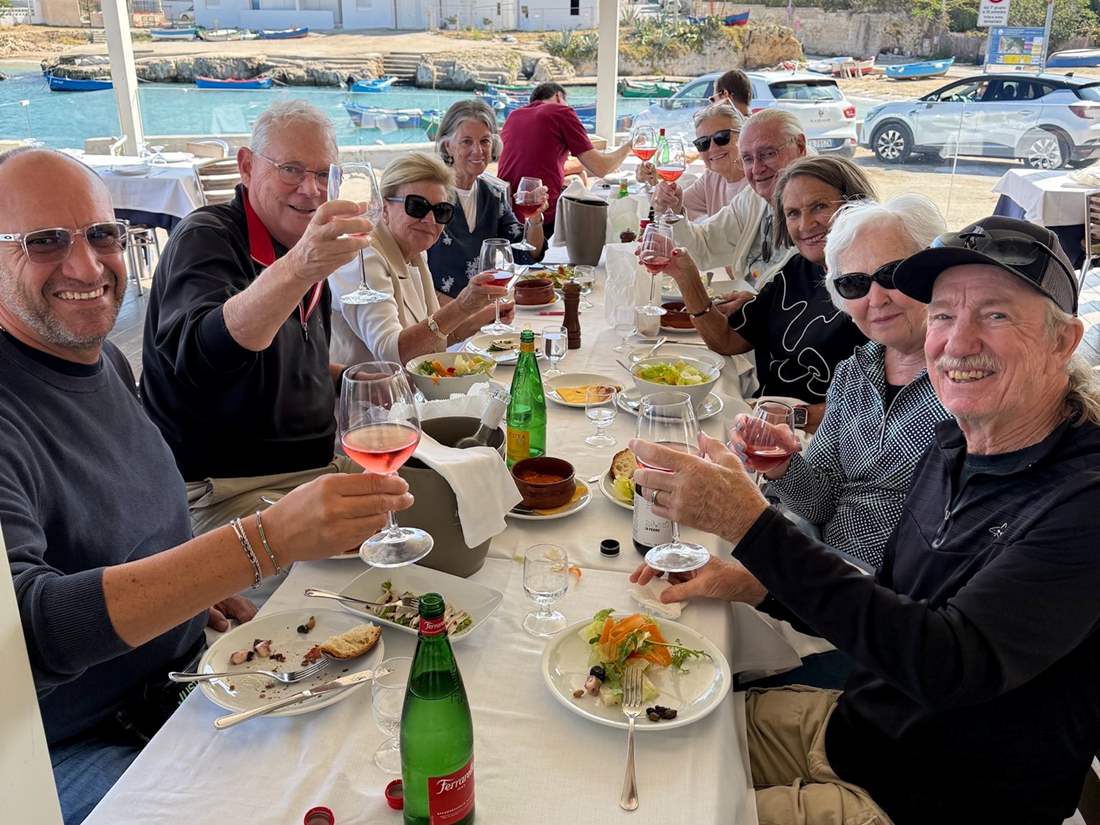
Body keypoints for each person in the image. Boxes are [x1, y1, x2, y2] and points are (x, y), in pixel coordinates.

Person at [631, 215, 1100, 823]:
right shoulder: (958, 444)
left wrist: (751, 528)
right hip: (860, 730)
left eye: (997, 314)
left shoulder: (1082, 500)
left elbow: (948, 663)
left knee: (662, 806)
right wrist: (763, 585)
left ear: (1064, 341)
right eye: (943, 315)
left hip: (927, 796)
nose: (958, 343)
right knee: (637, 725)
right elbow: (891, 593)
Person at [0, 147, 412, 824]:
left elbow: (121, 516)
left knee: (389, 715)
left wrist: (195, 586)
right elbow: (28, 632)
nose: (84, 266)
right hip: (75, 740)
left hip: (191, 664)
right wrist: (259, 541)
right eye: (44, 242)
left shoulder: (97, 360)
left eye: (102, 235)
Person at [141, 100, 374, 538]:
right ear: (246, 167)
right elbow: (201, 356)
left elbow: (282, 365)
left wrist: (358, 380)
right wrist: (300, 267)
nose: (312, 189)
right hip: (229, 493)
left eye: (325, 174)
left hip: (319, 472)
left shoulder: (301, 247)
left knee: (446, 495)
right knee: (379, 582)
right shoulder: (206, 237)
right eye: (291, 169)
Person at [738, 194, 952, 568]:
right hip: (823, 569)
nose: (876, 298)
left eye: (893, 275)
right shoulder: (854, 372)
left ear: (933, 274)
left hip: (894, 603)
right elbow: (820, 503)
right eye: (854, 284)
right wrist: (783, 465)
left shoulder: (968, 385)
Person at [657, 156, 871, 430]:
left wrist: (791, 417)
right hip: (765, 423)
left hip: (819, 442)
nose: (805, 225)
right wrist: (685, 275)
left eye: (819, 207)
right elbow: (727, 340)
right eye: (793, 213)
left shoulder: (875, 287)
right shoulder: (797, 269)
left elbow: (877, 406)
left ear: (854, 204)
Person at [328, 152, 513, 366]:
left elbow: (435, 335)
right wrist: (462, 306)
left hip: (409, 391)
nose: (430, 220)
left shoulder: (414, 254)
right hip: (371, 395)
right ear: (385, 207)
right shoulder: (363, 257)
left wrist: (485, 314)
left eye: (441, 211)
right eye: (417, 206)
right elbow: (392, 352)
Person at [669, 107, 807, 290]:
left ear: (800, 146)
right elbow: (703, 247)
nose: (757, 169)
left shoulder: (827, 205)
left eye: (768, 154)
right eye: (748, 159)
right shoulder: (752, 198)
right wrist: (674, 212)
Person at [429, 99, 548, 299]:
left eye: (484, 141)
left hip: (486, 311)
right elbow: (411, 267)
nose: (478, 150)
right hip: (439, 314)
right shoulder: (431, 197)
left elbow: (527, 253)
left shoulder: (493, 195)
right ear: (448, 146)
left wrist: (535, 218)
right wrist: (460, 314)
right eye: (467, 141)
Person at [497, 82, 632, 238]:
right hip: (539, 217)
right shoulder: (561, 111)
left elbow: (537, 162)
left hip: (506, 214)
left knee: (578, 177)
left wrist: (580, 171)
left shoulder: (514, 115)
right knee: (604, 220)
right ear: (558, 96)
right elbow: (601, 168)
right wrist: (629, 146)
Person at [637, 101, 747, 222]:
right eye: (703, 143)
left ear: (743, 136)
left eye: (721, 137)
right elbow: (673, 207)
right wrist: (654, 185)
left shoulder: (756, 184)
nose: (712, 148)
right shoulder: (711, 178)